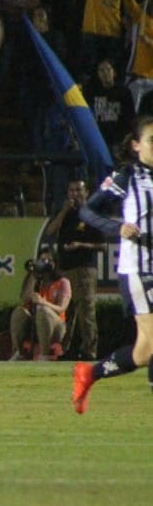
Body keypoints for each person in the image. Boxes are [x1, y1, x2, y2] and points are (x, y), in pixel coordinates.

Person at [73, 115, 153, 414]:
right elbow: (87, 211)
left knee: (144, 352)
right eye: (152, 141)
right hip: (139, 269)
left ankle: (89, 373)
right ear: (136, 146)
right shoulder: (127, 177)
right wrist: (116, 227)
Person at [45, 179, 104, 360]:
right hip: (66, 268)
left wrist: (81, 244)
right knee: (68, 312)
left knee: (86, 310)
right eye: (71, 190)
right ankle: (68, 348)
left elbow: (102, 246)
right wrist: (64, 210)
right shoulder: (65, 214)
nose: (75, 194)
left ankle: (89, 349)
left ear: (86, 193)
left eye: (79, 190)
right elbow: (50, 231)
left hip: (84, 268)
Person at [8, 248, 71, 361]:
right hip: (34, 324)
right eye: (42, 260)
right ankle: (19, 353)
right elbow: (24, 298)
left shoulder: (63, 282)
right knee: (19, 312)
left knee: (43, 310)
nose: (46, 263)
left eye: (49, 260)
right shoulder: (37, 280)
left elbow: (62, 308)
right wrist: (34, 275)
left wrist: (44, 302)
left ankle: (45, 354)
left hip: (56, 326)